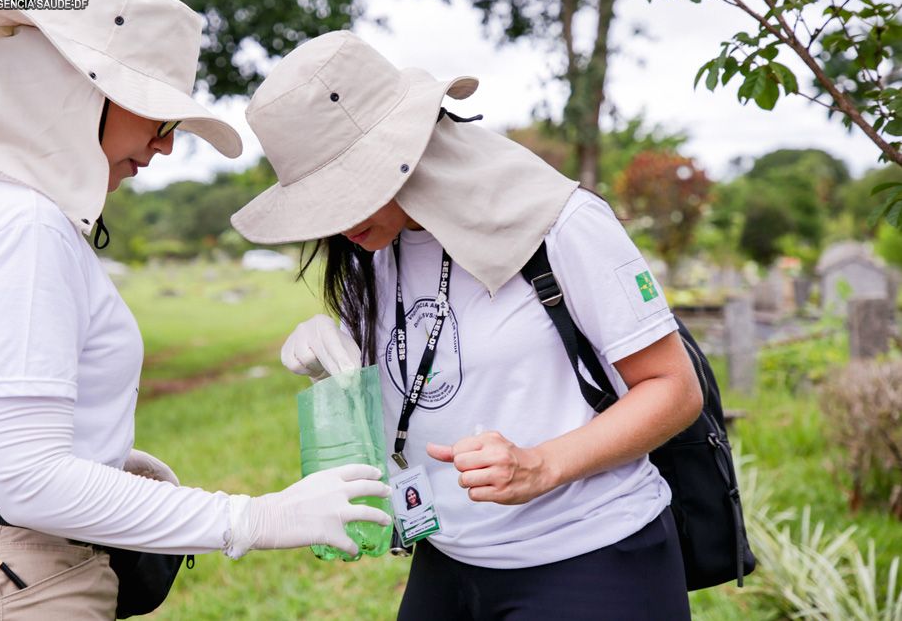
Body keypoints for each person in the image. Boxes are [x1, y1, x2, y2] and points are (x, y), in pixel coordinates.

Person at [0, 0, 389, 619]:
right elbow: (29, 480)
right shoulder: (24, 228)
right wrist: (259, 517)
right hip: (11, 583)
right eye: (160, 118)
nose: (166, 144)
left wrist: (100, 451)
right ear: (88, 89)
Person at [231, 31, 703, 620]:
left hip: (590, 557)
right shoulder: (376, 247)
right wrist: (335, 362)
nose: (332, 222)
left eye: (342, 191)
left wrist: (543, 464)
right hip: (449, 559)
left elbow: (675, 389)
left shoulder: (563, 225)